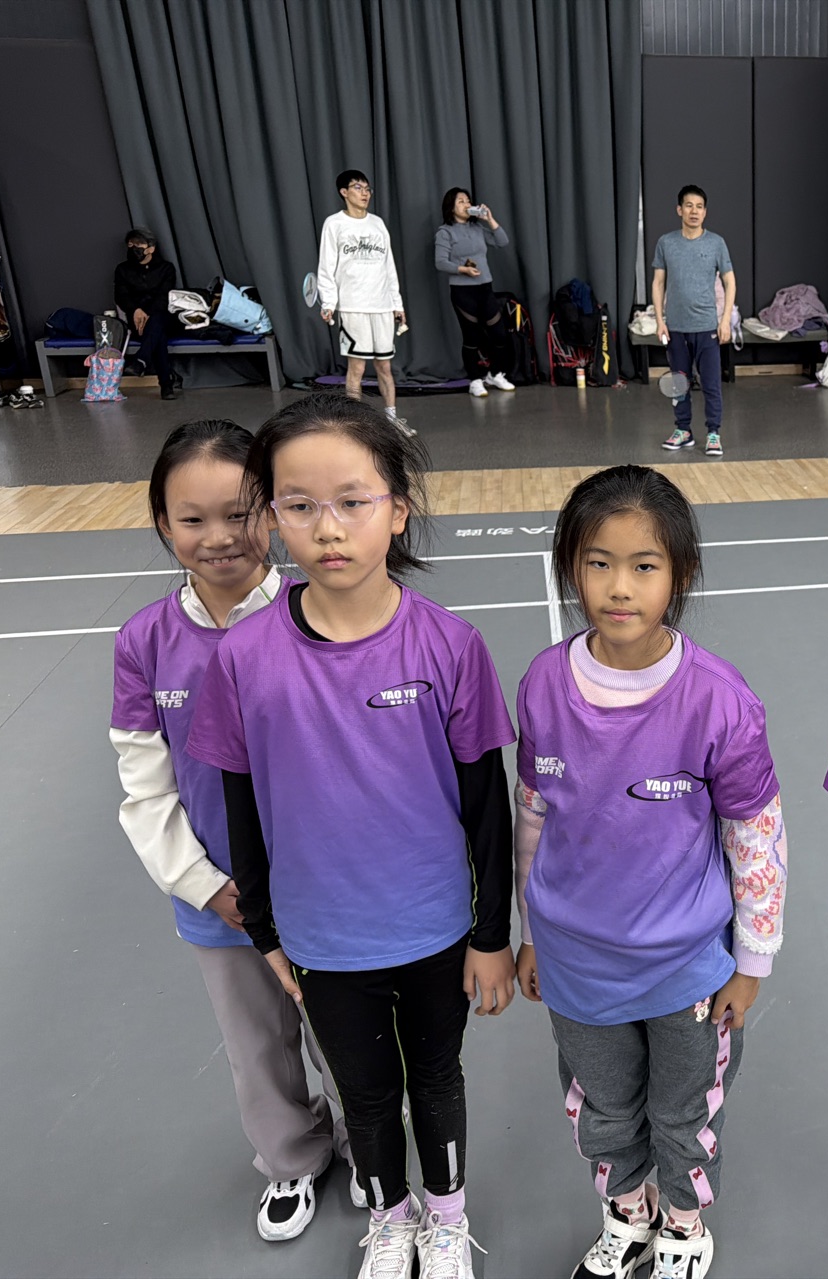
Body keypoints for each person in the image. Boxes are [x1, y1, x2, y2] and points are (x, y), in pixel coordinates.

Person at [187, 393, 517, 1279]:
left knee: (436, 1079)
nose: (327, 527)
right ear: (271, 516)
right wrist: (266, 931)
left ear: (397, 509)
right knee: (365, 1095)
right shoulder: (242, 658)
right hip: (325, 939)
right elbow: (241, 809)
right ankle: (390, 1217)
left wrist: (492, 935)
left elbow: (486, 808)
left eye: (352, 501)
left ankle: (446, 1217)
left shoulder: (451, 646)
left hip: (435, 928)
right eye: (299, 505)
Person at [514, 464, 786, 1279]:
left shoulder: (720, 700)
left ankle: (683, 1225)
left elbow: (756, 835)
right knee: (603, 1107)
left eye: (643, 565)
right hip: (576, 964)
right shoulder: (542, 684)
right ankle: (628, 1213)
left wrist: (753, 958)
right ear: (571, 567)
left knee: (683, 1109)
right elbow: (533, 816)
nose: (618, 587)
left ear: (680, 573)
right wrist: (531, 934)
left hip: (686, 968)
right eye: (598, 563)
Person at [112, 420, 351, 1244]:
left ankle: (372, 1147)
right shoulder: (143, 642)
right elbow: (144, 787)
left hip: (324, 895)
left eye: (241, 512)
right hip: (220, 903)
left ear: (274, 513)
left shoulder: (319, 612)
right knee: (256, 1046)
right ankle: (291, 1157)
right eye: (192, 518)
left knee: (345, 1032)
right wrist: (207, 885)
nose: (219, 537)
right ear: (162, 523)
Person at [317, 169, 412, 434]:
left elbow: (389, 266)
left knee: (385, 366)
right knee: (356, 368)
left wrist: (397, 304)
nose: (365, 193)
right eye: (358, 188)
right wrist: (328, 302)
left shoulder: (378, 224)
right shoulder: (334, 224)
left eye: (367, 188)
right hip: (353, 307)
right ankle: (355, 425)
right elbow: (326, 267)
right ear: (344, 192)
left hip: (381, 306)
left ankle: (392, 419)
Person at [654, 185, 735, 457]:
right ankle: (683, 430)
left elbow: (730, 282)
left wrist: (725, 321)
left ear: (705, 212)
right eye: (689, 205)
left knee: (711, 385)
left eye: (699, 207)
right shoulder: (666, 243)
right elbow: (658, 283)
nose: (694, 211)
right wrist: (659, 320)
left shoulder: (716, 243)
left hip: (707, 328)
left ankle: (713, 433)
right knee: (679, 384)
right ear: (679, 210)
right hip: (676, 328)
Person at [434, 187, 515, 396]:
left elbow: (502, 241)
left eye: (468, 201)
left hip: (485, 287)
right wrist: (463, 270)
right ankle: (475, 380)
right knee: (472, 337)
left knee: (499, 334)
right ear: (451, 207)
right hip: (462, 291)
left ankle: (495, 374)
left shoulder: (477, 228)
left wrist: (490, 219)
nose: (467, 204)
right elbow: (440, 262)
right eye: (461, 201)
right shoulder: (445, 232)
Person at [113, 227, 180, 400]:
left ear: (151, 248)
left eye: (139, 244)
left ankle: (141, 360)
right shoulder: (122, 269)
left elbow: (164, 297)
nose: (134, 248)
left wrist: (147, 313)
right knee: (158, 335)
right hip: (136, 322)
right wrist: (135, 311)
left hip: (164, 318)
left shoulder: (166, 268)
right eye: (131, 244)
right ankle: (166, 385)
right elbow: (121, 295)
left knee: (157, 322)